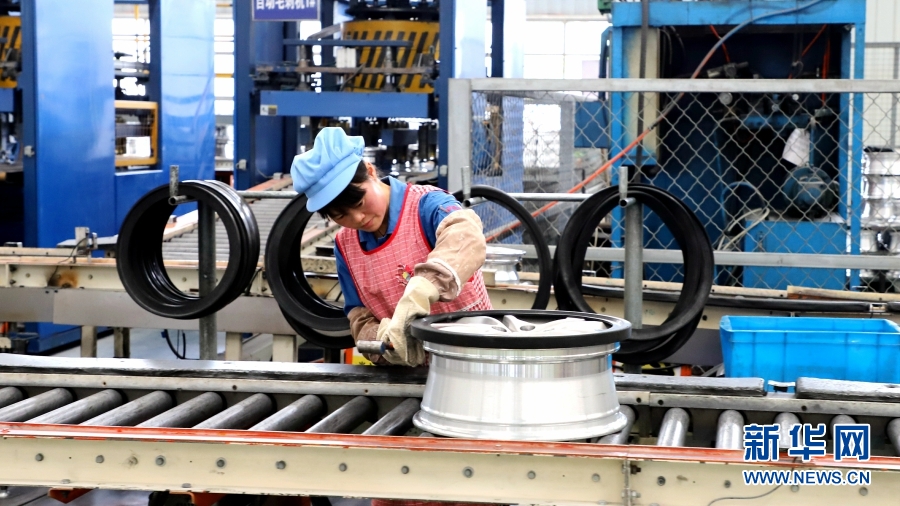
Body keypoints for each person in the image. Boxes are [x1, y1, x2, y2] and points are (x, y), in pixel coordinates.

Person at [291, 127, 492, 366]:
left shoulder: (427, 206)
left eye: (359, 202)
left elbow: (466, 236)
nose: (357, 218)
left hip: (476, 362)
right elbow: (359, 316)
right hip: (408, 375)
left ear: (370, 171)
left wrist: (423, 289)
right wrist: (383, 342)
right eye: (341, 216)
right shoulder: (346, 246)